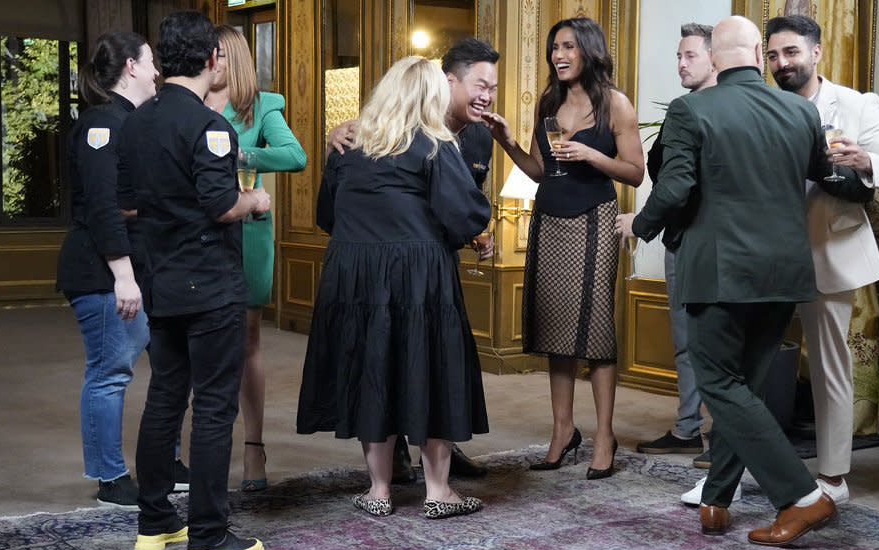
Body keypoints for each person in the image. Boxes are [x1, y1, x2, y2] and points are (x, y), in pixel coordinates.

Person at [615, 15, 865, 546]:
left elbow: (677, 186)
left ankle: (802, 496)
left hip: (720, 272)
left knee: (720, 384)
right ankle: (716, 498)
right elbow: (824, 172)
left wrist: (640, 225)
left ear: (716, 57)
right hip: (785, 273)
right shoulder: (800, 110)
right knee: (744, 386)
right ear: (757, 53)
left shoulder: (690, 110)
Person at [297, 56, 490, 520]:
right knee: (431, 370)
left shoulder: (347, 145)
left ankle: (379, 490)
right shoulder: (434, 144)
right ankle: (438, 491)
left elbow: (327, 216)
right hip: (418, 273)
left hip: (354, 274)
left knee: (372, 371)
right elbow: (465, 214)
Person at [119, 11, 269, 550]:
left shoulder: (138, 121)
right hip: (209, 285)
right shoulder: (210, 128)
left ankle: (155, 522)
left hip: (160, 279)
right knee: (211, 408)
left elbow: (127, 202)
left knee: (164, 397)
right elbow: (221, 205)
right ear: (212, 60)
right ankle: (208, 536)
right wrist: (255, 200)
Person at [765, 14, 879, 505]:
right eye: (772, 55)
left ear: (816, 53)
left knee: (830, 364)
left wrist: (866, 161)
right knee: (745, 363)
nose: (781, 63)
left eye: (790, 52)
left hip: (829, 249)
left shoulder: (854, 105)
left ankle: (833, 477)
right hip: (764, 253)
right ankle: (731, 470)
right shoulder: (762, 105)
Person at [481, 17, 644, 480]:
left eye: (568, 46)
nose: (559, 55)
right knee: (555, 328)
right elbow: (538, 170)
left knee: (593, 330)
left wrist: (592, 155)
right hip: (549, 219)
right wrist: (508, 142)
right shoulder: (549, 102)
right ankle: (562, 431)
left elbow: (635, 172)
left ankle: (605, 436)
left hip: (594, 220)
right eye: (555, 47)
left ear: (588, 50)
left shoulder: (615, 104)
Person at [55, 30, 158, 510]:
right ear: (132, 67)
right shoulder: (103, 123)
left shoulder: (131, 121)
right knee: (110, 371)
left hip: (135, 266)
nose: (158, 71)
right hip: (102, 271)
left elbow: (129, 199)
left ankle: (165, 463)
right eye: (151, 61)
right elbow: (100, 206)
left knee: (164, 367)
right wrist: (123, 276)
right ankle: (110, 478)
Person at [205, 24, 307, 493]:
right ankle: (198, 451)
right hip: (198, 234)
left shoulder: (263, 105)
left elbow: (294, 156)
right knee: (195, 339)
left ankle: (253, 446)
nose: (211, 61)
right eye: (208, 54)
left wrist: (241, 155)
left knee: (246, 339)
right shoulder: (187, 101)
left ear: (236, 59)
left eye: (220, 54)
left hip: (247, 233)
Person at [635, 22, 716, 466]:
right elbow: (661, 167)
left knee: (723, 343)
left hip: (720, 244)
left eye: (690, 56)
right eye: (679, 57)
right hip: (680, 239)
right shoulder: (681, 109)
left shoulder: (729, 108)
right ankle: (688, 429)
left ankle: (725, 436)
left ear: (716, 58)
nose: (681, 64)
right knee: (685, 340)